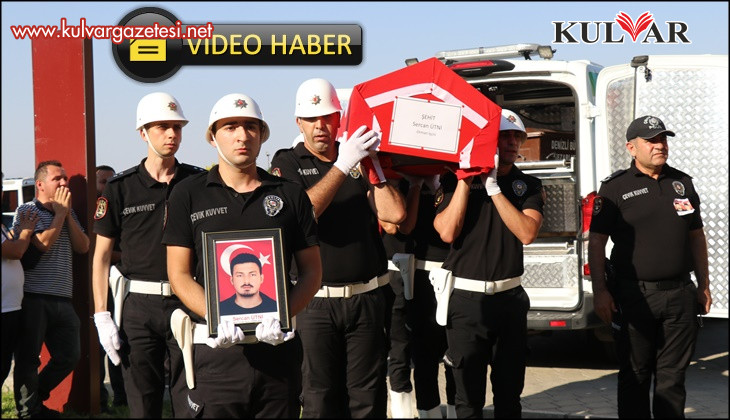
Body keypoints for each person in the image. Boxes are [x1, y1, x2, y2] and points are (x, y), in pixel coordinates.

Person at [163, 92, 322, 418]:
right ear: (212, 137)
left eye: (251, 126)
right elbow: (178, 274)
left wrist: (284, 315)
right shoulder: (187, 194)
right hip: (215, 355)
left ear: (262, 135)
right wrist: (216, 315)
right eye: (230, 126)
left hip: (277, 354)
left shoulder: (290, 194)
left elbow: (311, 272)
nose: (242, 135)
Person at [270, 78, 406, 418]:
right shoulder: (288, 162)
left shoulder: (357, 158)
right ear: (298, 123)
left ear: (339, 119)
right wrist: (342, 165)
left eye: (328, 117)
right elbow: (301, 214)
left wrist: (373, 166)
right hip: (316, 303)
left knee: (367, 398)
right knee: (320, 398)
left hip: (367, 297)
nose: (320, 126)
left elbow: (394, 215)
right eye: (311, 119)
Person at [588, 115, 711, 418]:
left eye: (663, 139)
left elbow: (696, 236)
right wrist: (600, 291)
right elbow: (597, 242)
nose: (660, 145)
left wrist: (704, 286)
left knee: (673, 379)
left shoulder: (682, 183)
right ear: (631, 148)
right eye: (652, 140)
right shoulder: (615, 188)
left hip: (680, 295)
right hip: (635, 296)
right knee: (636, 375)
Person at [91, 92, 202, 418]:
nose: (172, 134)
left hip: (189, 300)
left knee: (193, 400)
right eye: (162, 127)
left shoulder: (198, 182)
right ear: (143, 133)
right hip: (138, 306)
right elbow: (101, 256)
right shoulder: (120, 187)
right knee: (142, 403)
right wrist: (101, 314)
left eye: (177, 127)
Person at [433, 109, 544, 418]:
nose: (511, 142)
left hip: (510, 299)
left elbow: (527, 232)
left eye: (516, 136)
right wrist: (467, 180)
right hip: (466, 301)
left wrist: (494, 189)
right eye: (504, 136)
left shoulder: (528, 185)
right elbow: (446, 231)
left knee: (509, 395)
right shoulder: (453, 180)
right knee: (468, 398)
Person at [12, 160, 91, 419]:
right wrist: (58, 215)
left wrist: (65, 214)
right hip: (34, 297)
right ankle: (28, 412)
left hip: (63, 298)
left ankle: (35, 398)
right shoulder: (27, 210)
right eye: (57, 178)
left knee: (70, 355)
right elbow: (42, 244)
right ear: (40, 184)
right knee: (28, 358)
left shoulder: (67, 213)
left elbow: (83, 246)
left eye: (65, 178)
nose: (64, 183)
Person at [93, 165, 127, 411]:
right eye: (103, 181)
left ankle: (121, 397)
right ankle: (99, 399)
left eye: (111, 180)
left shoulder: (120, 207)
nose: (108, 186)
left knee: (119, 343)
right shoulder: (95, 211)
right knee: (100, 347)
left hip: (120, 287)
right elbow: (100, 253)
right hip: (99, 290)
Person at [2, 173, 39, 384]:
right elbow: (14, 252)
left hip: (10, 308)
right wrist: (26, 232)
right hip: (3, 309)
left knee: (4, 365)